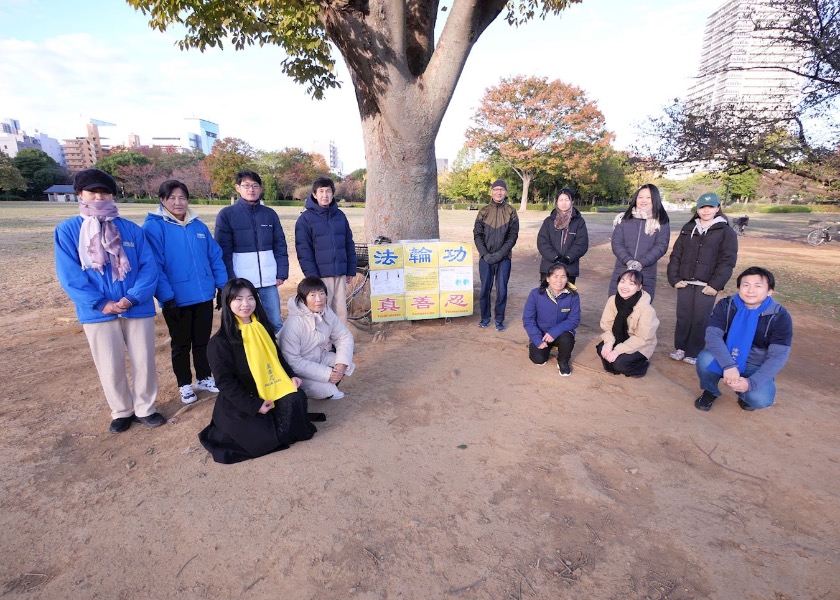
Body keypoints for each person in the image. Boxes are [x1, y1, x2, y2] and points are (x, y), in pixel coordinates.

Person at [54, 168, 164, 432]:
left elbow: (150, 267)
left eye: (104, 192)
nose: (99, 197)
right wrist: (101, 303)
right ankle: (122, 410)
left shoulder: (131, 230)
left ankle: (146, 408)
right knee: (109, 362)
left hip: (136, 307)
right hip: (97, 311)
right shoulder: (68, 231)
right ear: (80, 194)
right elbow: (69, 275)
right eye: (93, 192)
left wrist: (131, 298)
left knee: (144, 359)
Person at [199, 278, 318, 464]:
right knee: (268, 438)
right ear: (228, 302)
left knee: (297, 398)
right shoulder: (219, 343)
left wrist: (290, 376)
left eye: (250, 298)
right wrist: (254, 405)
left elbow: (277, 357)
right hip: (244, 399)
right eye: (238, 299)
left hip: (271, 385)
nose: (245, 304)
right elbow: (225, 383)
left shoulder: (263, 328)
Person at [142, 180, 229, 404]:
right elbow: (154, 265)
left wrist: (222, 286)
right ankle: (184, 384)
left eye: (182, 198)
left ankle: (204, 377)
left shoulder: (198, 226)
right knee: (181, 344)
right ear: (162, 200)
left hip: (202, 296)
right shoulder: (154, 227)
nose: (178, 202)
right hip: (176, 299)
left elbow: (214, 257)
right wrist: (165, 296)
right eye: (172, 198)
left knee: (202, 340)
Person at [694, 267, 793, 412]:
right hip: (727, 356)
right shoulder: (727, 305)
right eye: (745, 285)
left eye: (758, 286)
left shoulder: (779, 316)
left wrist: (751, 383)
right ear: (739, 288)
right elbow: (712, 335)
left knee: (761, 399)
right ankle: (710, 391)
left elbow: (778, 356)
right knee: (704, 359)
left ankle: (744, 393)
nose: (750, 290)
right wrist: (728, 365)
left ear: (770, 291)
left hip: (755, 365)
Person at [666, 192, 738, 365]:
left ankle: (694, 351)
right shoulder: (688, 228)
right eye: (702, 207)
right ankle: (681, 348)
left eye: (710, 207)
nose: (706, 211)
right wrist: (674, 278)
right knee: (683, 316)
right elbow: (676, 255)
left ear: (717, 208)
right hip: (685, 281)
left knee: (700, 318)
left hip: (706, 284)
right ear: (697, 209)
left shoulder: (725, 231)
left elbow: (727, 260)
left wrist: (715, 284)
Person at [214, 170, 289, 336]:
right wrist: (231, 280)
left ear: (260, 189)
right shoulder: (227, 215)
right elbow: (223, 252)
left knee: (275, 321)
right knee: (243, 323)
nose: (251, 189)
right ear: (238, 188)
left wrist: (282, 273)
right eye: (246, 185)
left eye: (255, 185)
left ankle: (278, 357)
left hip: (269, 280)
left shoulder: (269, 214)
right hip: (241, 282)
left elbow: (280, 245)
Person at [279, 277, 356, 400]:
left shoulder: (326, 312)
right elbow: (292, 361)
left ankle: (328, 382)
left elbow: (343, 336)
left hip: (318, 356)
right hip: (296, 370)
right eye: (312, 295)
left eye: (321, 294)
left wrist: (341, 364)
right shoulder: (294, 323)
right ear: (303, 299)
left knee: (346, 364)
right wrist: (326, 374)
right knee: (329, 390)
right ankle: (307, 391)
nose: (319, 299)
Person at [295, 177, 357, 323]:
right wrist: (312, 277)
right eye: (321, 191)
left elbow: (349, 243)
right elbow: (303, 250)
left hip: (340, 274)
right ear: (314, 194)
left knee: (341, 312)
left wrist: (350, 270)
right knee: (321, 312)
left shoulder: (340, 216)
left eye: (328, 191)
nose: (325, 195)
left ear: (333, 193)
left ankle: (340, 342)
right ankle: (322, 344)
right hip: (320, 276)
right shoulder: (305, 219)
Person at [608, 184, 670, 301]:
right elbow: (617, 242)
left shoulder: (661, 222)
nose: (643, 200)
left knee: (639, 311)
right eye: (640, 197)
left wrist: (641, 263)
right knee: (615, 308)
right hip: (622, 270)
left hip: (646, 273)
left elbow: (661, 245)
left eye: (648, 197)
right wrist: (628, 260)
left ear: (654, 199)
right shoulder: (624, 219)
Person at [473, 179, 519, 331]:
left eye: (502, 189)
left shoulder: (511, 211)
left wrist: (499, 255)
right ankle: (485, 318)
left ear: (505, 192)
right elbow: (477, 234)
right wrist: (485, 254)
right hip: (485, 258)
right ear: (491, 191)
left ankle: (499, 319)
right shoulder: (484, 211)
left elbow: (513, 236)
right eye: (496, 189)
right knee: (485, 288)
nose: (499, 192)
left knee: (502, 290)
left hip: (504, 258)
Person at [596, 270, 660, 377]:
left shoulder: (647, 309)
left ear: (639, 287)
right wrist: (609, 342)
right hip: (619, 338)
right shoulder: (612, 300)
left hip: (640, 344)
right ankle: (617, 358)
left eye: (632, 284)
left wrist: (617, 350)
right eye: (622, 282)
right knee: (602, 349)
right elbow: (607, 325)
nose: (625, 286)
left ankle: (641, 365)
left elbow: (643, 338)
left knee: (620, 364)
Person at [522, 263, 580, 376]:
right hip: (541, 334)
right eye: (555, 276)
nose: (559, 280)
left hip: (561, 334)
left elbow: (574, 319)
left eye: (563, 276)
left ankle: (563, 360)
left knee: (567, 338)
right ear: (548, 278)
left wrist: (554, 331)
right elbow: (528, 319)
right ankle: (543, 349)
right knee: (538, 359)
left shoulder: (573, 296)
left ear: (567, 279)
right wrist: (537, 339)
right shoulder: (536, 294)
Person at [537, 187, 589, 284]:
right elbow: (542, 241)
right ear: (556, 202)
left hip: (569, 268)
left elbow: (581, 243)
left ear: (572, 201)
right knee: (546, 297)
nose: (564, 203)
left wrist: (567, 258)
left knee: (566, 297)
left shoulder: (579, 222)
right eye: (561, 200)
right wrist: (555, 257)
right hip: (549, 267)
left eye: (566, 200)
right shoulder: (549, 221)